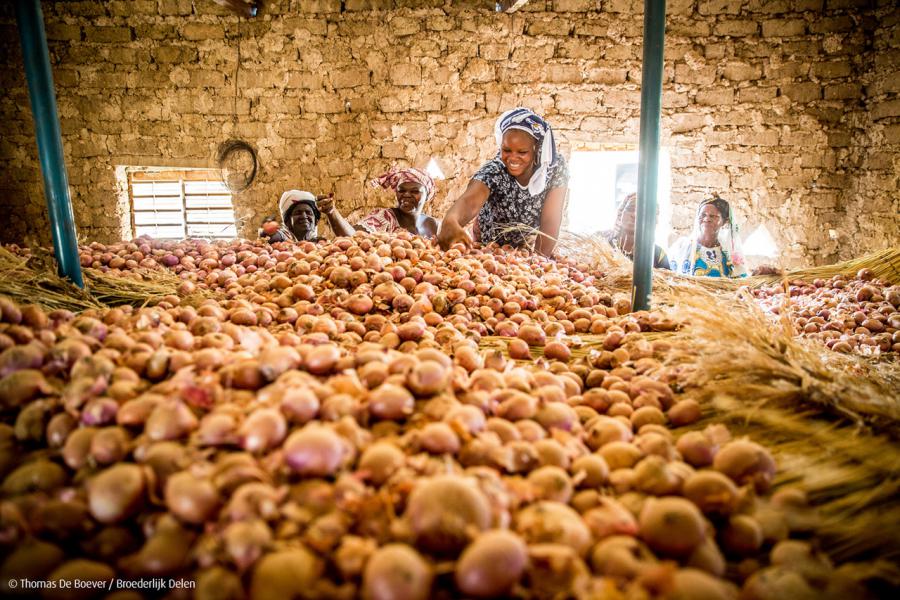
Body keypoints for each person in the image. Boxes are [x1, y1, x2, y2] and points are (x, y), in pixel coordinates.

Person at [437, 107, 569, 257]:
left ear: (536, 149)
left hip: (528, 246)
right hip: (491, 246)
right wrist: (451, 221)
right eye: (506, 150)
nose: (512, 158)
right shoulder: (495, 170)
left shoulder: (553, 168)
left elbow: (550, 220)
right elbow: (470, 201)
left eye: (522, 152)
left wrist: (538, 262)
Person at [319, 167, 439, 238]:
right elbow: (354, 237)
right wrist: (332, 212)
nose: (406, 195)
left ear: (427, 195)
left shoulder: (433, 225)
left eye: (414, 191)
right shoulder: (384, 218)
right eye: (401, 190)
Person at [670, 195, 748, 278]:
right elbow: (669, 275)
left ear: (725, 222)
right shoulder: (682, 246)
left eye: (713, 216)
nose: (706, 219)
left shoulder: (728, 252)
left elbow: (740, 281)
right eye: (703, 215)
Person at [602, 193, 671, 270]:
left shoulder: (658, 255)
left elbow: (667, 280)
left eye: (641, 212)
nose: (634, 215)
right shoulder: (603, 243)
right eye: (630, 209)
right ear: (621, 213)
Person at [260, 190, 325, 243]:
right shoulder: (284, 235)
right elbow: (275, 237)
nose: (304, 216)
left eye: (309, 213)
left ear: (316, 221)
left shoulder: (312, 237)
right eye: (298, 213)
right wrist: (268, 232)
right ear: (287, 221)